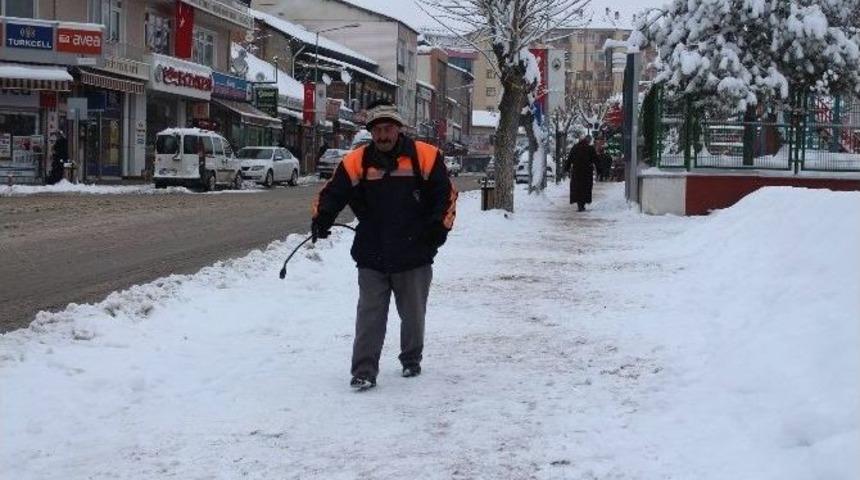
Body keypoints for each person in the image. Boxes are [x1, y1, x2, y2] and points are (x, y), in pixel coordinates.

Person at [311, 100, 458, 391]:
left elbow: (445, 196)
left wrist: (437, 230)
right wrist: (322, 218)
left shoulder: (425, 156)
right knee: (369, 315)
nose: (382, 136)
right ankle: (364, 370)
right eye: (377, 130)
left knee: (413, 314)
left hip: (414, 251)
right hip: (372, 250)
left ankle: (411, 358)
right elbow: (333, 193)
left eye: (388, 129)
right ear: (371, 133)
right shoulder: (356, 161)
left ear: (398, 129)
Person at [564, 134, 597, 211]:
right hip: (587, 172)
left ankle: (579, 204)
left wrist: (566, 168)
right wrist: (600, 169)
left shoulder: (575, 148)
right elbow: (595, 159)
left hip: (577, 171)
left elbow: (569, 159)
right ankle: (583, 203)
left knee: (577, 188)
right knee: (585, 188)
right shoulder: (590, 148)